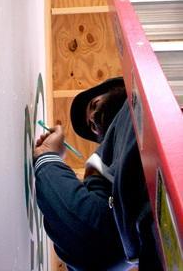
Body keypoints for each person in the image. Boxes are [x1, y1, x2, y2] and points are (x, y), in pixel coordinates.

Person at [34, 77, 163, 271]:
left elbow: (93, 242)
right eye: (93, 127)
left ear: (119, 87)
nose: (93, 117)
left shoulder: (138, 102)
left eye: (95, 104)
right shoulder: (121, 163)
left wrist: (48, 157)